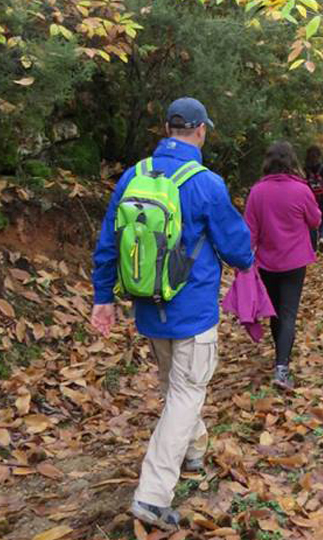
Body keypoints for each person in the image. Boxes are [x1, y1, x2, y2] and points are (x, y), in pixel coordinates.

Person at [90, 97, 253, 530]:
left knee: (176, 388)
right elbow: (238, 248)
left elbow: (108, 242)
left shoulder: (133, 176)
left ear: (166, 128)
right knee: (187, 392)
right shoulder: (206, 183)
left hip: (148, 307)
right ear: (200, 131)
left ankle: (195, 449)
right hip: (194, 309)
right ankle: (152, 495)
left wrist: (102, 298)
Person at [245, 141, 321, 390]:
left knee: (275, 311)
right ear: (291, 161)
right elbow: (314, 220)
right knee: (288, 313)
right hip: (295, 261)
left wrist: (244, 262)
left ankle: (280, 357)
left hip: (267, 262)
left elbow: (250, 232)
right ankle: (281, 367)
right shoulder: (301, 190)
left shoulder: (257, 192)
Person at [304, 145, 323, 252]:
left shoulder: (304, 169)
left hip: (308, 199)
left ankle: (312, 246)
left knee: (310, 222)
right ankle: (322, 237)